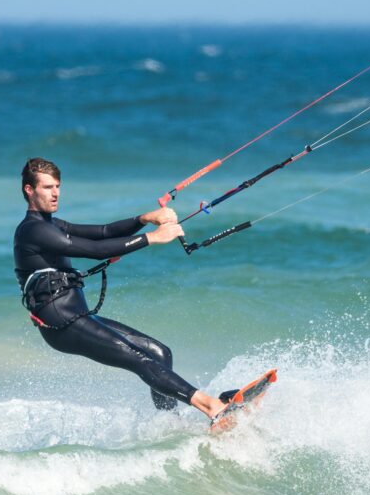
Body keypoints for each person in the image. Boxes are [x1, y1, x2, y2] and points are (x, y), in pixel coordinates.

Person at [13, 157, 230, 422]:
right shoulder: (32, 230)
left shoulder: (53, 224)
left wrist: (144, 219)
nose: (56, 193)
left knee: (160, 353)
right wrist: (152, 237)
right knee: (141, 360)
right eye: (47, 187)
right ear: (29, 190)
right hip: (61, 323)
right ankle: (211, 407)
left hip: (77, 315)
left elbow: (103, 232)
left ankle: (169, 423)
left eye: (57, 186)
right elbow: (94, 251)